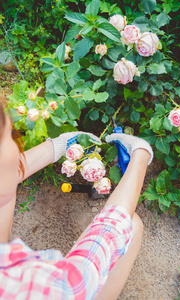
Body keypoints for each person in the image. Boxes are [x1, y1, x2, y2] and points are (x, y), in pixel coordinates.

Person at [0, 102, 153, 300]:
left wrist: (55, 147)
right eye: (9, 135)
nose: (14, 143)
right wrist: (141, 155)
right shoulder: (27, 289)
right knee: (132, 225)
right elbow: (79, 279)